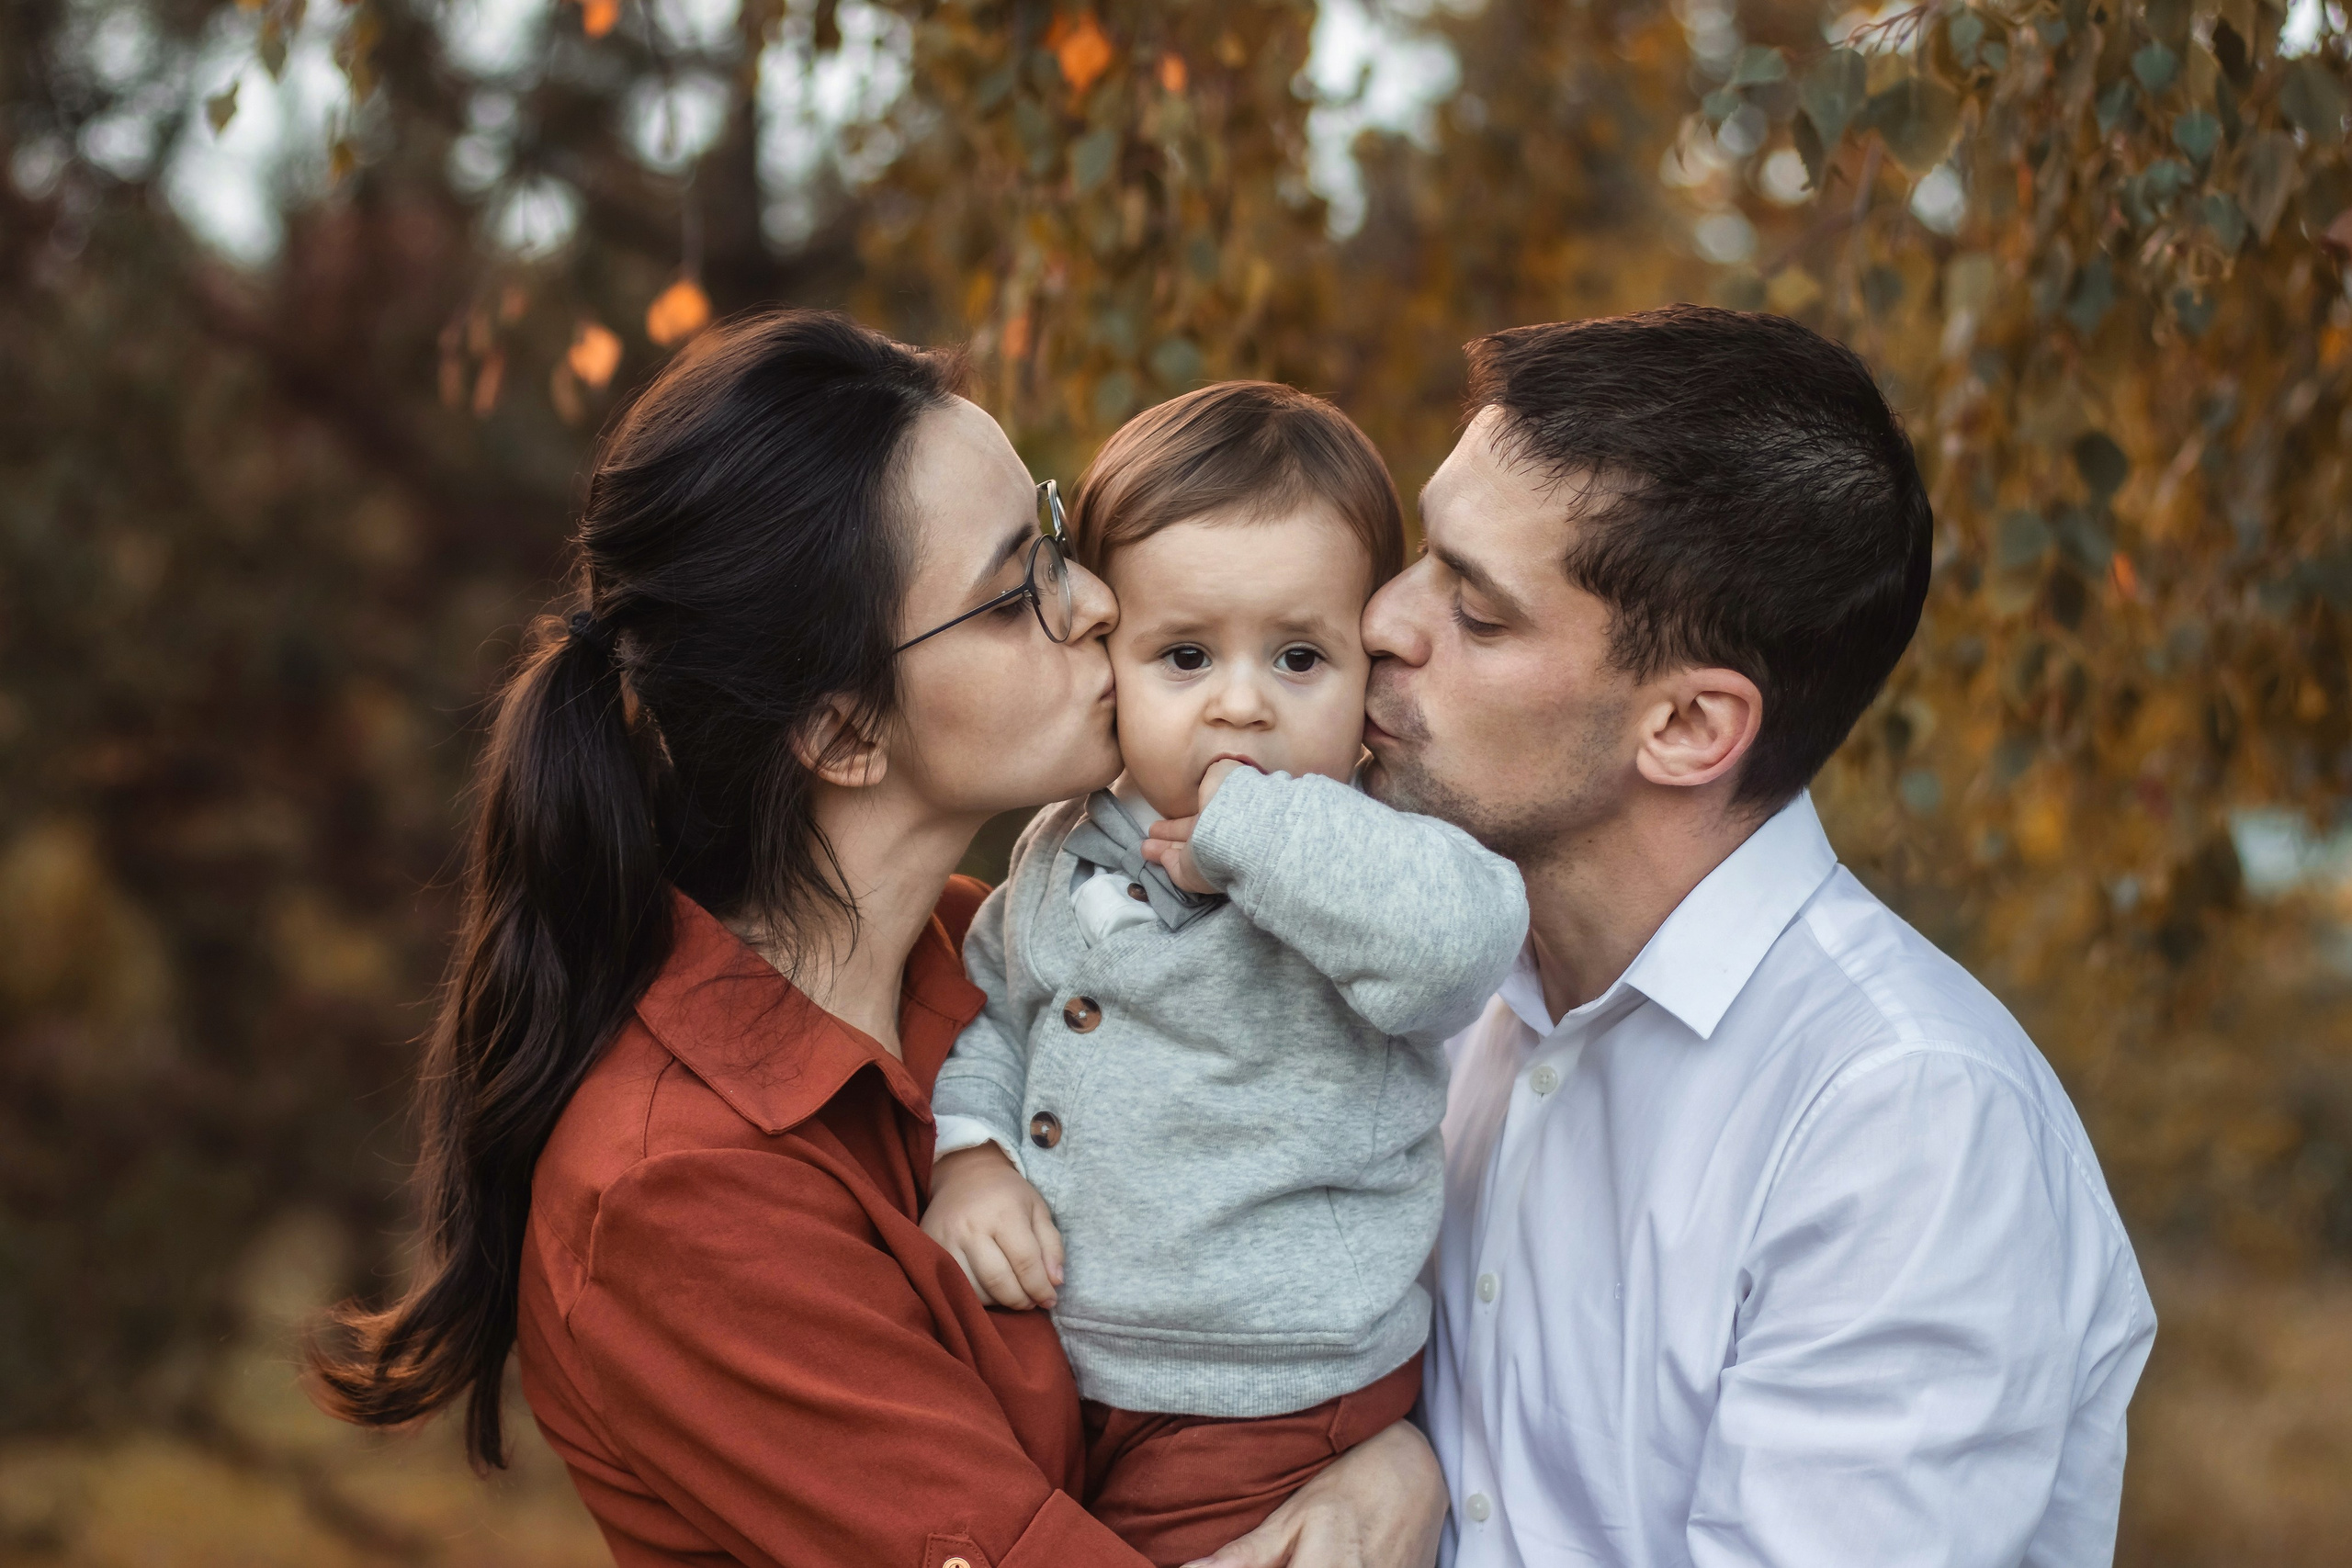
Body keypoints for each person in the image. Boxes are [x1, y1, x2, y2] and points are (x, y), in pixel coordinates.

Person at [305, 311, 1448, 1568]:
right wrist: (1389, 1484)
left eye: (1053, 535)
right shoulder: (676, 1195)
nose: (1094, 601)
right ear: (845, 732)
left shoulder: (997, 944)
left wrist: (1378, 1449)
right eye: (1015, 593)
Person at [1329, 305, 2156, 1568]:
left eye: (1477, 610)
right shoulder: (1433, 1000)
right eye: (1419, 556)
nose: (1382, 621)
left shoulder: (1904, 1126)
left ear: (1689, 729)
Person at [916, 382, 1528, 1566]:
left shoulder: (1367, 851)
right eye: (1186, 656)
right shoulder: (1061, 847)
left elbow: (1458, 947)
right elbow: (995, 1011)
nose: (1241, 704)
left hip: (1276, 1392)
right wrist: (972, 1155)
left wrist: (1254, 834)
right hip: (1086, 1364)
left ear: (1365, 672)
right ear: (1109, 658)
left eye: (1300, 658)